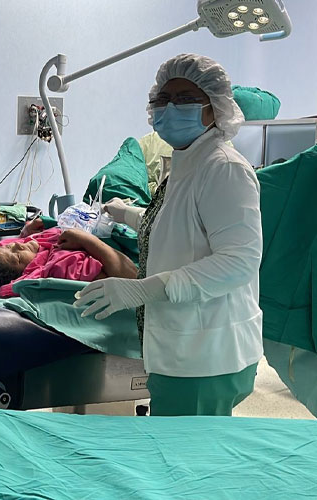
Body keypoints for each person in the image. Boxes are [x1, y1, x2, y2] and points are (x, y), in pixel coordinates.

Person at [76, 54, 263, 416]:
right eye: (162, 100)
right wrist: (128, 214)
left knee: (190, 463)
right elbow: (183, 223)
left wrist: (140, 289)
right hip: (181, 349)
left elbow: (238, 261)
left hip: (207, 357)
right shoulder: (186, 161)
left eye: (185, 99)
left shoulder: (224, 169)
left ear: (215, 108)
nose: (170, 108)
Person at [0, 226, 137, 297]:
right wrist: (86, 239)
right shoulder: (61, 268)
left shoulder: (35, 242)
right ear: (25, 273)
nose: (15, 245)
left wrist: (45, 223)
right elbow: (132, 278)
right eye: (16, 256)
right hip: (132, 247)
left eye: (8, 248)